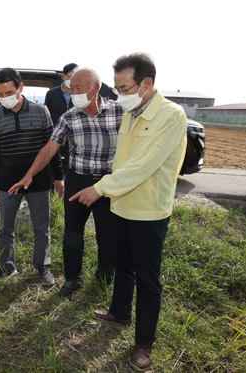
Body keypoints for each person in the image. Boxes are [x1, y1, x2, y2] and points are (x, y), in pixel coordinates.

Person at [70, 53, 188, 370]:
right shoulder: (130, 112)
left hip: (149, 211)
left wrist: (100, 188)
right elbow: (122, 161)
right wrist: (108, 190)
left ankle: (144, 344)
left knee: (149, 280)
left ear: (146, 83)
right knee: (123, 264)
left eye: (124, 88)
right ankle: (120, 312)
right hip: (121, 205)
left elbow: (144, 166)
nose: (119, 95)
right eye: (117, 88)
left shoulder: (171, 116)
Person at [9, 67, 124, 297]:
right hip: (78, 180)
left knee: (108, 235)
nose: (74, 94)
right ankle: (73, 278)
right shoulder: (69, 116)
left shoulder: (119, 113)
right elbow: (49, 148)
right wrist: (30, 174)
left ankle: (104, 277)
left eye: (79, 88)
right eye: (71, 89)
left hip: (108, 184)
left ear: (96, 88)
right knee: (72, 234)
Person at [0, 68, 54, 285]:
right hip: (7, 184)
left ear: (20, 88)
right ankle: (7, 267)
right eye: (0, 94)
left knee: (41, 227)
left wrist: (58, 177)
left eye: (9, 92)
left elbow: (52, 148)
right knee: (6, 227)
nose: (5, 98)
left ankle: (42, 266)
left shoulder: (41, 111)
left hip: (39, 181)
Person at [44, 62, 78, 197]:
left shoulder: (79, 93)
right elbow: (47, 114)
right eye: (70, 76)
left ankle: (70, 193)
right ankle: (53, 193)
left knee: (71, 164)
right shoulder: (52, 94)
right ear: (63, 76)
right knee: (53, 162)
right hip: (56, 135)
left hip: (74, 136)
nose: (72, 80)